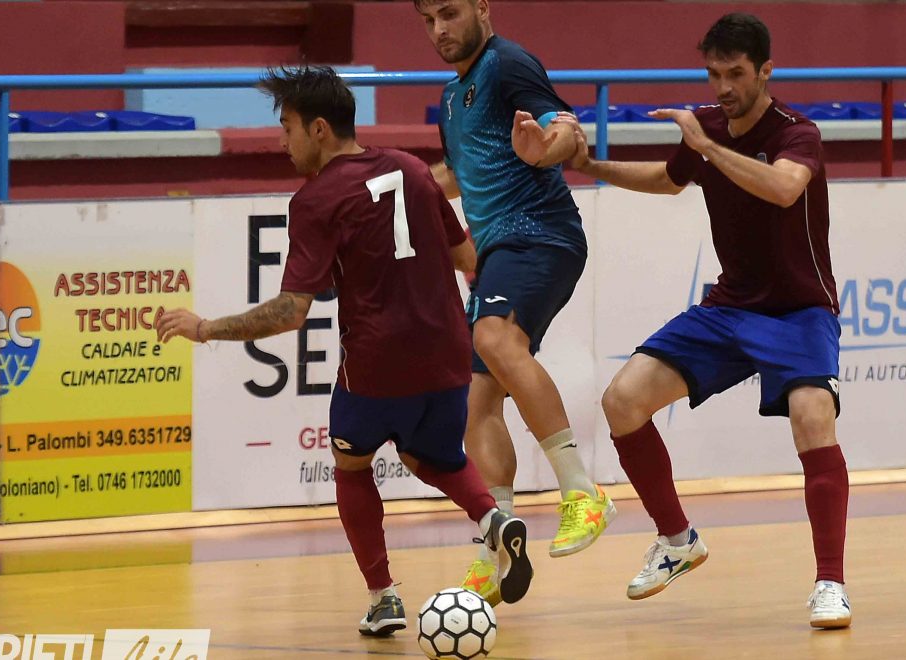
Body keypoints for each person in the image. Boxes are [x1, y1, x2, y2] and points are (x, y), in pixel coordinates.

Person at [155, 66, 533, 637]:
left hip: (377, 363)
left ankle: (384, 598)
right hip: (448, 353)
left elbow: (291, 311)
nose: (282, 142)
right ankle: (494, 519)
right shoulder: (412, 168)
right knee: (433, 458)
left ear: (320, 129)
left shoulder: (315, 200)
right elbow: (467, 258)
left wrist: (205, 328)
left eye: (287, 128)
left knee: (352, 466)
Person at [563, 13, 851, 628]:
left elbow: (783, 188)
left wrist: (708, 148)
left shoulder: (797, 132)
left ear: (765, 71)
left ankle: (830, 582)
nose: (723, 87)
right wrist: (590, 165)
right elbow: (671, 180)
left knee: (812, 417)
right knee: (622, 401)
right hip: (730, 307)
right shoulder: (709, 128)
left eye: (735, 74)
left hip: (800, 311)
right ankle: (677, 541)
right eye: (714, 73)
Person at [413, 0, 615, 605]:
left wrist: (545, 148)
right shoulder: (452, 98)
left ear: (482, 7)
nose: (440, 29)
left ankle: (582, 491)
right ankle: (494, 548)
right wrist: (398, 188)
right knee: (473, 404)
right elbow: (457, 173)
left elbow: (565, 131)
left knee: (495, 338)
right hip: (499, 252)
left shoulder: (507, 63)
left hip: (539, 235)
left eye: (450, 12)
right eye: (429, 20)